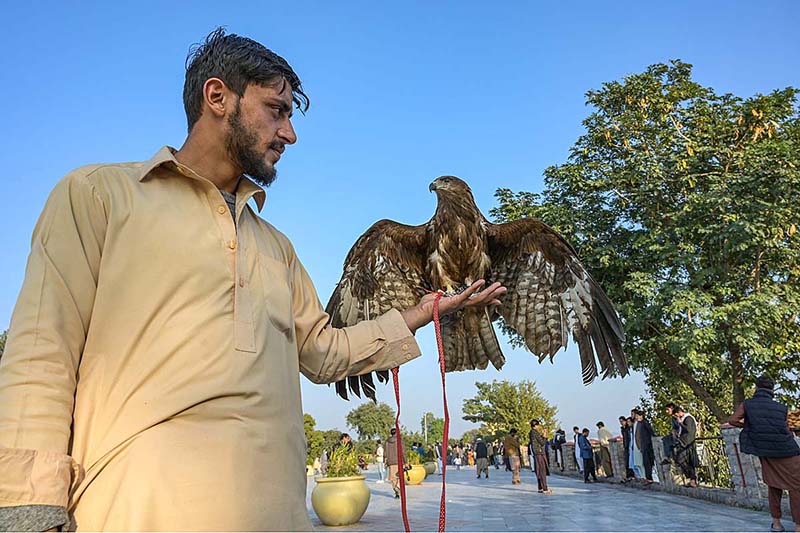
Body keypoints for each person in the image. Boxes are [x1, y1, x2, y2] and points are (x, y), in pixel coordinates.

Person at [0, 28, 510, 531]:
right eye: (276, 110)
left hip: (276, 513)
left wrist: (424, 314)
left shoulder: (277, 248)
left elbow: (324, 351)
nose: (289, 133)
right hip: (137, 508)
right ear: (217, 97)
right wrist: (31, 511)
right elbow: (43, 353)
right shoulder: (98, 196)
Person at [728, 376, 800, 532]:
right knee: (797, 487)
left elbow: (733, 420)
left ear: (756, 388)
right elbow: (786, 429)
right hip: (787, 450)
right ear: (772, 390)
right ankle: (799, 527)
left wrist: (749, 425)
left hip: (765, 451)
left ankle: (776, 524)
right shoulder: (781, 407)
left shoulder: (747, 405)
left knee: (773, 484)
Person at [673, 406, 699, 488]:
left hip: (688, 443)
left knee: (684, 460)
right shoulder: (685, 418)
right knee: (683, 461)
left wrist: (680, 423)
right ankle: (691, 479)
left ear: (679, 413)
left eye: (676, 415)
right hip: (684, 443)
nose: (677, 417)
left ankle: (693, 480)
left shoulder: (688, 418)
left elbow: (689, 430)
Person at [529, 420, 551, 494]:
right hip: (539, 452)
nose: (538, 427)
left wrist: (542, 435)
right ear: (535, 426)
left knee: (538, 470)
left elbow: (538, 440)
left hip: (536, 453)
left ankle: (540, 487)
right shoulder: (534, 432)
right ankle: (545, 488)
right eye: (538, 425)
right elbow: (542, 442)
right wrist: (544, 435)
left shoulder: (532, 432)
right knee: (542, 471)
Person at [634, 409, 656, 482]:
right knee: (645, 462)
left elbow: (651, 431)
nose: (636, 418)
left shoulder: (645, 423)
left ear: (641, 416)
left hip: (647, 445)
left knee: (648, 462)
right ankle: (647, 477)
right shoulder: (639, 424)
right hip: (643, 445)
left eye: (637, 416)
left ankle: (649, 478)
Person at [385, 428, 401, 499]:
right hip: (399, 461)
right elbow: (402, 451)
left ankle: (395, 489)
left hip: (391, 462)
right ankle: (398, 487)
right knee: (399, 476)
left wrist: (386, 461)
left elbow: (385, 453)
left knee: (393, 477)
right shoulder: (399, 441)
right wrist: (406, 461)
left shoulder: (387, 442)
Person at [620, 416, 634, 480]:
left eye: (622, 421)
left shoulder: (628, 429)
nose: (621, 423)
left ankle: (631, 475)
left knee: (630, 461)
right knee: (627, 461)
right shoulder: (623, 429)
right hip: (625, 446)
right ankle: (628, 476)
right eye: (620, 421)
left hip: (629, 446)